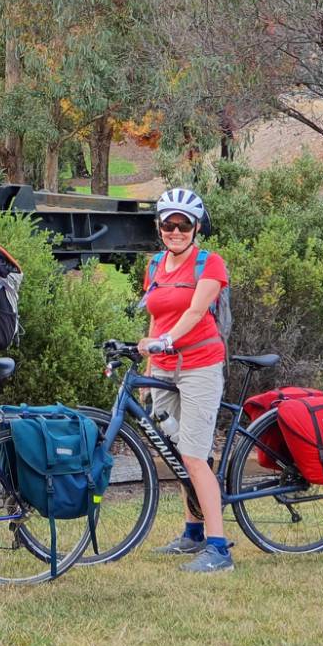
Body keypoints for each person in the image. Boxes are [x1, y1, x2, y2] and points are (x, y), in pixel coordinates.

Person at [137, 186, 233, 573]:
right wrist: (148, 370)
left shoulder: (209, 264)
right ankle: (192, 533)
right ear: (159, 226)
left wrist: (163, 342)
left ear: (196, 227)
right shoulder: (154, 265)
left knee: (193, 454)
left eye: (183, 225)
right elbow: (155, 315)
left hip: (200, 366)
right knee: (175, 452)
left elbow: (194, 313)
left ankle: (219, 548)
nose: (175, 231)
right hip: (163, 367)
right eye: (168, 224)